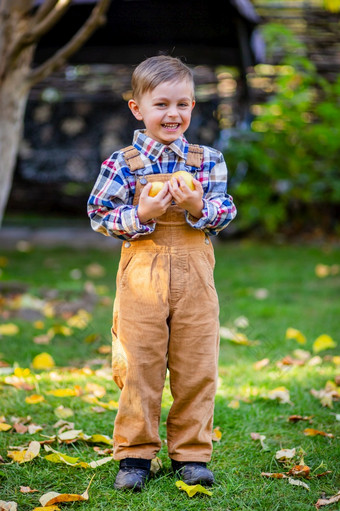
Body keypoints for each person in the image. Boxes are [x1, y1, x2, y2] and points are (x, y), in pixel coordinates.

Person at [87, 55, 237, 491]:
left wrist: (196, 206)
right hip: (142, 272)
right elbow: (99, 214)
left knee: (197, 365)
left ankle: (191, 454)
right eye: (162, 105)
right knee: (138, 363)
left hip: (195, 275)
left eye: (183, 105)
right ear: (137, 108)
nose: (173, 114)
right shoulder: (122, 162)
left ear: (192, 107)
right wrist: (141, 212)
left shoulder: (207, 159)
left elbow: (223, 212)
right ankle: (134, 454)